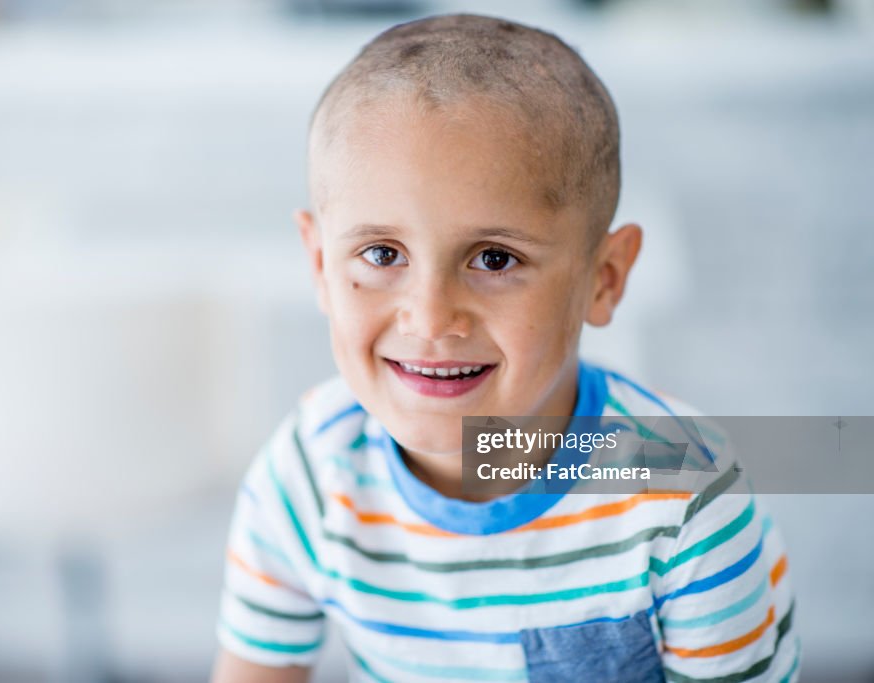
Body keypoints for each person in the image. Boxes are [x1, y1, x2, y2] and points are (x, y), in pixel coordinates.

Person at [210, 13, 799, 682]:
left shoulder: (686, 495)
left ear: (602, 280)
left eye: (494, 258)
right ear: (320, 266)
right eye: (381, 253)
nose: (431, 317)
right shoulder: (306, 477)